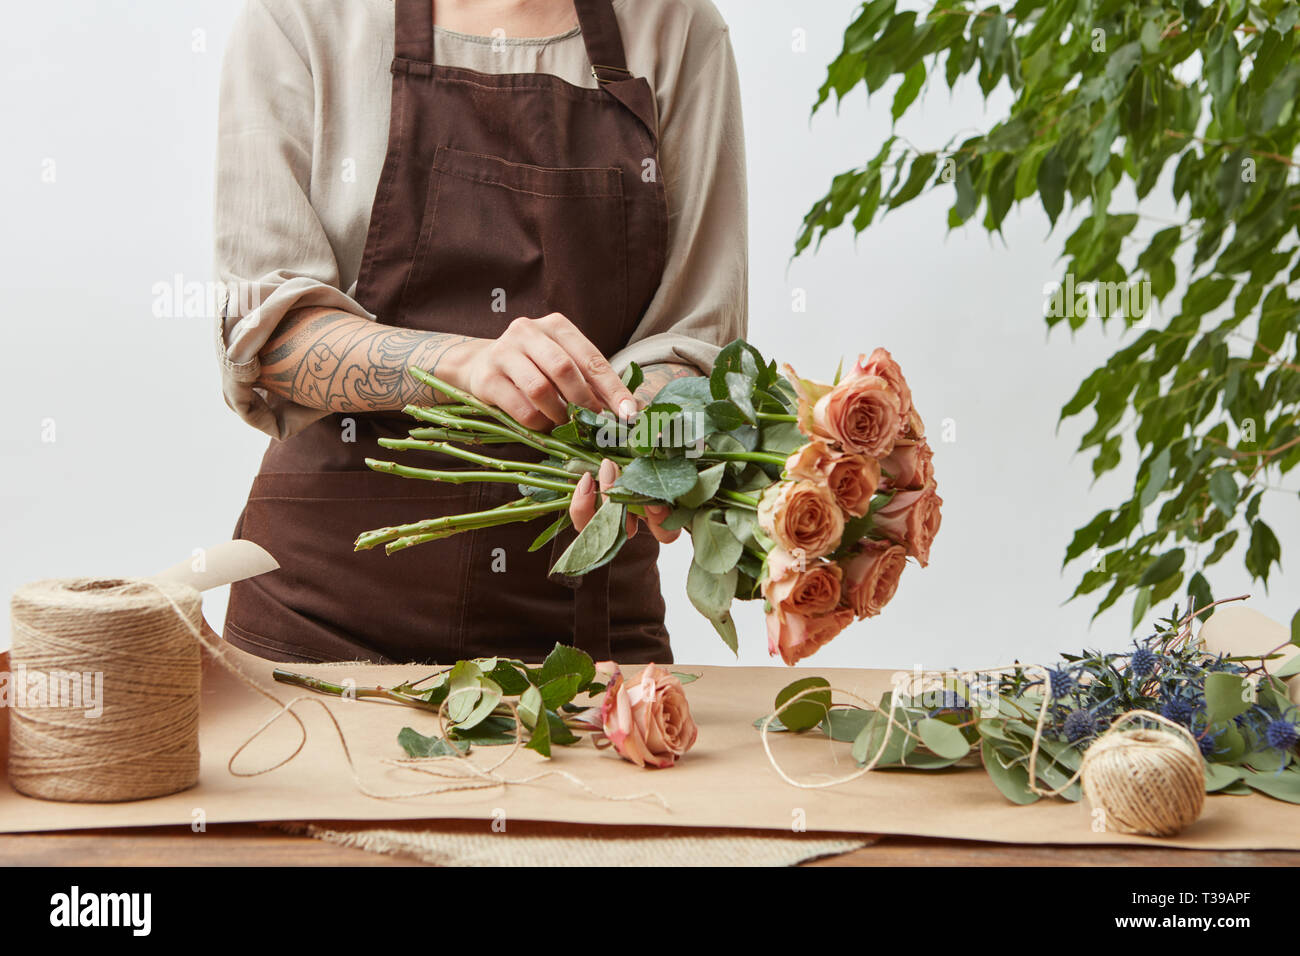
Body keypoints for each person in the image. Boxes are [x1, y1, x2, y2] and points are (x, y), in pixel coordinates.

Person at [213, 0, 747, 664]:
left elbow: (697, 339)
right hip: (320, 618)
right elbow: (269, 344)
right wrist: (466, 366)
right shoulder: (303, 17)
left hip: (584, 627)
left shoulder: (676, 27)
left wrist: (643, 442)